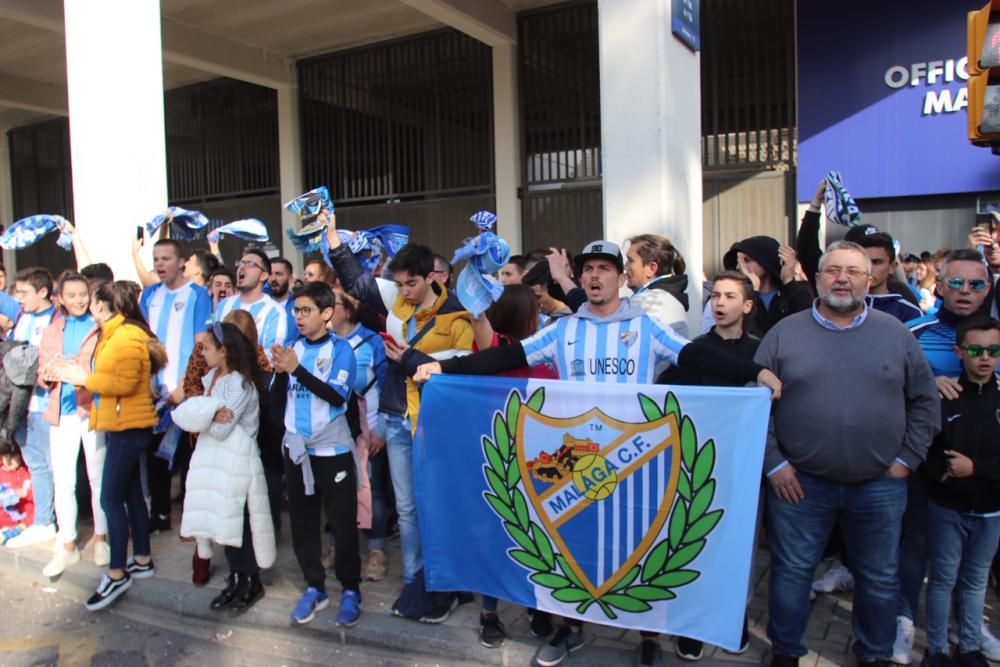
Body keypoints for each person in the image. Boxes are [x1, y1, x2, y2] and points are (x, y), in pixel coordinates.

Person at [413, 240, 781, 667]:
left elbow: (699, 356)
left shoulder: (645, 327)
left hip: (634, 462)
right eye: (588, 268)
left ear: (620, 278)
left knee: (643, 549)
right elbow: (505, 356)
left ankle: (648, 640)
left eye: (605, 268)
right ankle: (571, 633)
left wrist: (754, 371)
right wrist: (446, 367)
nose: (594, 276)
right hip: (577, 465)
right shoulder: (564, 329)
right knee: (576, 546)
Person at [754, 241, 939, 666]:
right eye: (833, 270)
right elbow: (755, 402)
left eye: (853, 271)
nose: (842, 278)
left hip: (879, 483)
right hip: (800, 483)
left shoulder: (895, 334)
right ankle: (786, 651)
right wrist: (775, 464)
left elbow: (925, 401)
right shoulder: (785, 334)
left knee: (878, 578)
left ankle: (873, 653)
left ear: (869, 280)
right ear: (816, 279)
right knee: (792, 572)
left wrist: (907, 459)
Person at [896, 249, 1000, 664]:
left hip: (985, 475)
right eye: (955, 283)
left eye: (976, 284)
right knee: (916, 545)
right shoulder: (912, 332)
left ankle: (968, 631)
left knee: (972, 567)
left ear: (988, 289)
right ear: (939, 285)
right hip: (926, 464)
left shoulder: (996, 338)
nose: (965, 292)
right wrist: (927, 380)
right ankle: (905, 621)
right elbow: (887, 385)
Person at [659, 270, 759, 660]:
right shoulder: (693, 349)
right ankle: (692, 623)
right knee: (697, 542)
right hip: (698, 465)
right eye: (715, 295)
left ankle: (736, 617)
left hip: (745, 465)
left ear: (747, 305)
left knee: (739, 547)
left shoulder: (761, 350)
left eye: (730, 296)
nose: (719, 303)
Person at [49, 280, 164, 611]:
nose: (88, 305)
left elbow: (125, 383)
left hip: (128, 426)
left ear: (102, 305)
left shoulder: (125, 336)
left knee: (110, 498)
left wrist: (81, 377)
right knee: (128, 496)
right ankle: (141, 558)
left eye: (93, 301)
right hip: (120, 423)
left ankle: (117, 572)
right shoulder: (116, 333)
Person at [273, 281, 362, 627]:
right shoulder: (292, 348)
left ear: (327, 314)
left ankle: (351, 589)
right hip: (297, 451)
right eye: (296, 310)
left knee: (341, 523)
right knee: (303, 524)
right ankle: (315, 587)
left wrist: (296, 370)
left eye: (306, 310)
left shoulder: (342, 349)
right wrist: (280, 372)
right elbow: (281, 399)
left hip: (333, 450)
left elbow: (337, 397)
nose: (299, 317)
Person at [921, 317, 1000, 667]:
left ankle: (969, 647)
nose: (985, 357)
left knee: (975, 581)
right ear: (959, 351)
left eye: (993, 350)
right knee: (942, 579)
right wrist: (941, 474)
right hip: (947, 509)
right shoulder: (946, 396)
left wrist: (976, 469)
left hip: (990, 511)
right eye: (976, 349)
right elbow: (926, 448)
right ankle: (936, 648)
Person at [179, 322, 273, 614]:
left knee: (240, 523)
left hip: (237, 461)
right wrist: (209, 413)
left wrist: (202, 413)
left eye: (207, 347)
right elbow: (195, 418)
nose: (202, 353)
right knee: (224, 521)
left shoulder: (241, 384)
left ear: (224, 350)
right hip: (216, 461)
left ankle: (250, 580)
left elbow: (221, 429)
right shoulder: (212, 379)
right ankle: (235, 578)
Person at [139, 239, 213, 533]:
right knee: (156, 456)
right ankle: (159, 514)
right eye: (156, 258)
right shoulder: (149, 295)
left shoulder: (197, 296)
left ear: (181, 262)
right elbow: (143, 341)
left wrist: (183, 386)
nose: (159, 264)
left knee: (188, 458)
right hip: (154, 392)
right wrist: (147, 381)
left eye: (166, 258)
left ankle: (193, 521)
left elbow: (201, 347)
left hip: (186, 390)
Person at [37, 273, 108, 577]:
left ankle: (102, 537)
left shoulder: (100, 327)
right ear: (60, 298)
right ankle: (67, 544)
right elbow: (41, 371)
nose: (78, 300)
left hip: (92, 409)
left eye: (83, 294)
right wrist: (50, 372)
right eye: (72, 295)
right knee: (63, 480)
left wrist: (80, 371)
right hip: (61, 411)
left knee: (98, 478)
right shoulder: (53, 328)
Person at [329, 290, 388, 583]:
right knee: (335, 488)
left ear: (349, 310)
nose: (325, 309)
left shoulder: (372, 341)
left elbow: (385, 384)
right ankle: (335, 544)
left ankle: (377, 550)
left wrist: (381, 430)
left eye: (332, 304)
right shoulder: (322, 340)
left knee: (371, 487)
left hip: (368, 427)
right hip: (333, 428)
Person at [4, 267, 57, 548]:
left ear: (43, 292)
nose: (19, 299)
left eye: (24, 293)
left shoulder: (56, 319)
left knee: (52, 465)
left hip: (45, 404)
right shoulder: (22, 317)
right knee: (35, 463)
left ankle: (56, 521)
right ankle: (44, 520)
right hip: (20, 404)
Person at [215, 249, 288, 361]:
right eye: (241, 263)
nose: (242, 267)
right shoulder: (224, 305)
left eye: (249, 264)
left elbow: (270, 357)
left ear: (263, 275)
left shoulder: (275, 312)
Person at [624, 234, 690, 337]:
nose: (625, 266)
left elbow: (623, 342)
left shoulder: (651, 300)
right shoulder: (662, 297)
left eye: (630, 260)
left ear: (651, 268)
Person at [855, 232, 923, 323]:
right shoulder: (841, 307)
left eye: (876, 262)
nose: (869, 268)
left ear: (892, 267)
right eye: (863, 262)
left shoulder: (909, 313)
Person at [0, 440, 33, 544]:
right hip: (3, 514)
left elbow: (35, 496)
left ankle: (14, 531)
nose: (9, 461)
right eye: (5, 456)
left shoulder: (25, 474)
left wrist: (25, 493)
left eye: (13, 456)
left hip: (20, 516)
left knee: (33, 514)